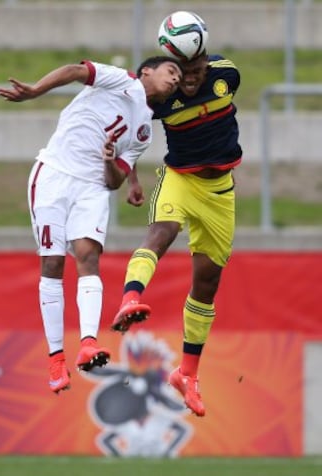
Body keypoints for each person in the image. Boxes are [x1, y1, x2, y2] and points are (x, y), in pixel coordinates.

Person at [0, 56, 182, 394]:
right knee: (52, 263)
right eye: (171, 71)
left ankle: (88, 344)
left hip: (93, 187)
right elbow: (73, 71)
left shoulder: (143, 131)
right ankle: (55, 359)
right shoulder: (120, 79)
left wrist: (111, 161)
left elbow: (114, 181)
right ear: (146, 71)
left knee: (88, 256)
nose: (175, 79)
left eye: (179, 76)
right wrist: (36, 90)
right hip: (54, 173)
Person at [111, 41, 242, 416]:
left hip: (220, 191)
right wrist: (132, 179)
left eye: (194, 71)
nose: (186, 81)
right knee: (161, 232)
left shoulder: (226, 75)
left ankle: (187, 374)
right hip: (180, 180)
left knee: (207, 282)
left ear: (205, 64)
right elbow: (128, 133)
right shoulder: (162, 100)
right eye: (178, 73)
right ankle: (130, 298)